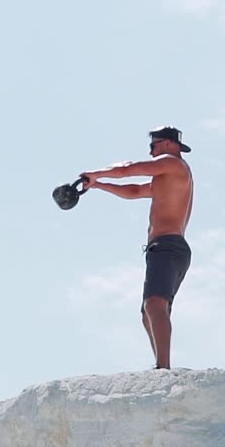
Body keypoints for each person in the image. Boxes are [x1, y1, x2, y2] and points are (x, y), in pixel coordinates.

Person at [82, 126, 194, 369]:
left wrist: (95, 172)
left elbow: (129, 169)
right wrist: (97, 185)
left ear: (167, 145)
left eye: (153, 146)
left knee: (154, 304)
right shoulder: (166, 178)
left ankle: (163, 368)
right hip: (162, 249)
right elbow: (133, 190)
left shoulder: (173, 164)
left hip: (168, 246)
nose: (151, 152)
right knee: (149, 313)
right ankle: (161, 366)